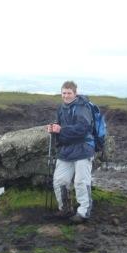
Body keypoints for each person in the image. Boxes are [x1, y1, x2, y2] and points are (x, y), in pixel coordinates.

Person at [47, 81, 94, 224]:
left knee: (81, 181)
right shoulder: (61, 108)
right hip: (66, 150)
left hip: (83, 149)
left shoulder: (82, 108)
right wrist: (54, 128)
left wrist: (61, 130)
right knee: (60, 180)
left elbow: (83, 128)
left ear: (75, 93)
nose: (66, 96)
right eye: (64, 93)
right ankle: (65, 208)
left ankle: (83, 212)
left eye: (69, 93)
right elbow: (61, 125)